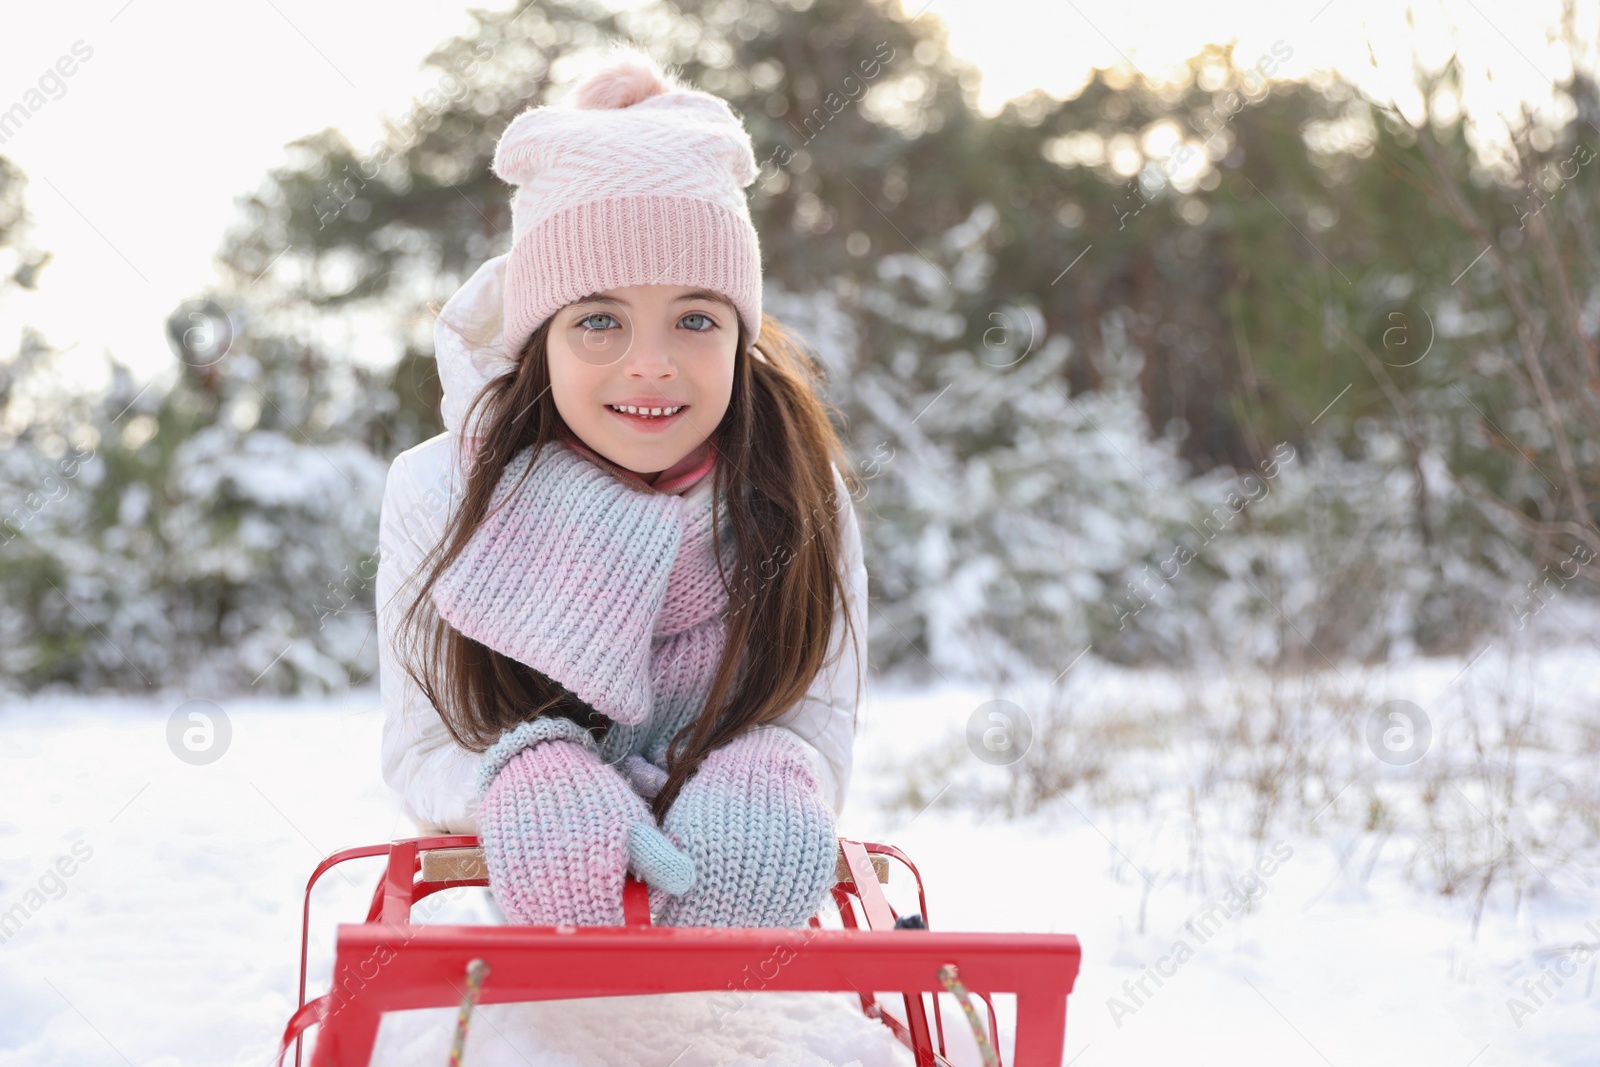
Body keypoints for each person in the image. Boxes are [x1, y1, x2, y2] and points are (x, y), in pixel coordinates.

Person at [375, 43, 868, 930]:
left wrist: (775, 768)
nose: (651, 364)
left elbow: (820, 715)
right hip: (524, 985)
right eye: (599, 318)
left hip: (736, 1015)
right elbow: (420, 745)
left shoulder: (799, 490)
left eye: (695, 318)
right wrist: (519, 776)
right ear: (541, 339)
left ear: (738, 336)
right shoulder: (439, 492)